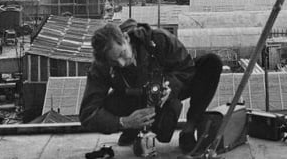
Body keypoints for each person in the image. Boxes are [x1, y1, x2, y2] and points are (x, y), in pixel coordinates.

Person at [79, 19, 222, 153]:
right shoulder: (100, 67)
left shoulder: (158, 39)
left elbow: (186, 68)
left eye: (122, 54)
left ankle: (189, 129)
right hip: (133, 98)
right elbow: (87, 113)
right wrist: (123, 122)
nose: (122, 63)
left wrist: (171, 86)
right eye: (114, 62)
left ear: (126, 38)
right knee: (108, 105)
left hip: (166, 91)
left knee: (211, 63)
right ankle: (134, 130)